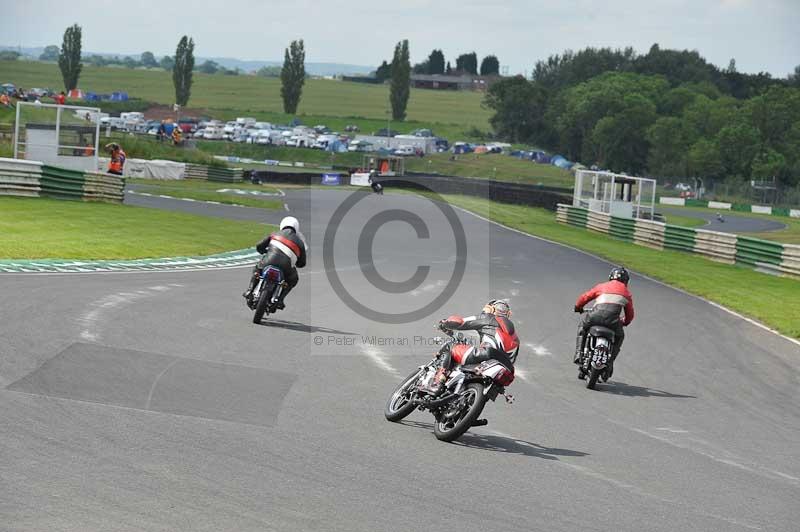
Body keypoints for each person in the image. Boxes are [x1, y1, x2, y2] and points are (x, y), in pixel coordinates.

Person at [427, 299, 520, 395]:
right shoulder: (515, 337)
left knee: (450, 347)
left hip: (487, 354)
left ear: (490, 309)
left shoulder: (489, 318)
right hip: (507, 370)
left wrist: (445, 323)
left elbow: (460, 322)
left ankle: (437, 382)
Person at [573, 266, 634, 379]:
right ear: (626, 281)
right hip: (613, 322)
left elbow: (585, 297)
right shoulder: (627, 293)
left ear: (610, 277)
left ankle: (579, 354)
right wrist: (624, 322)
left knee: (583, 327)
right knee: (620, 336)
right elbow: (630, 315)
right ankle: (610, 363)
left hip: (594, 316)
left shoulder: (601, 286)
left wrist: (578, 307)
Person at [243, 216, 307, 310]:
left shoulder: (274, 234)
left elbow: (259, 246)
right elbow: (302, 263)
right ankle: (280, 300)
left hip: (268, 262)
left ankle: (249, 290)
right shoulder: (300, 243)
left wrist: (264, 251)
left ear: (282, 225)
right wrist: (296, 262)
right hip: (286, 267)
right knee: (293, 279)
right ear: (296, 227)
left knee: (257, 269)